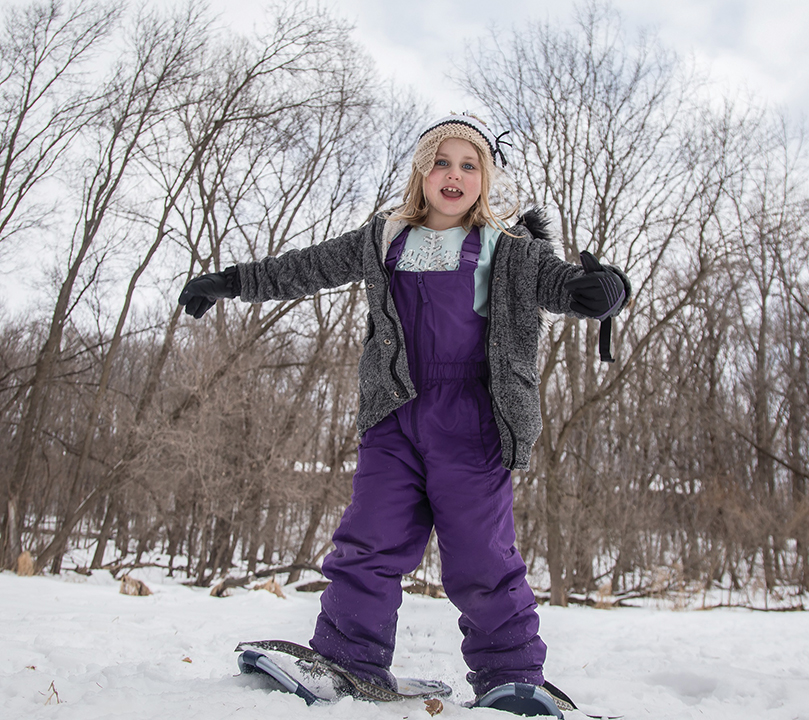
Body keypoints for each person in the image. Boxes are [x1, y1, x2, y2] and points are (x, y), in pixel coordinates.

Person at [178, 113, 631, 715]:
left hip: (474, 419)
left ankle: (511, 676)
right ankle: (349, 659)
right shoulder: (383, 238)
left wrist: (607, 291)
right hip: (395, 415)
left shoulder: (511, 251)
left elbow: (572, 287)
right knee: (369, 538)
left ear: (484, 180)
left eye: (469, 165)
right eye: (441, 162)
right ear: (421, 174)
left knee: (480, 556)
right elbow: (306, 267)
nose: (454, 174)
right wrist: (230, 281)